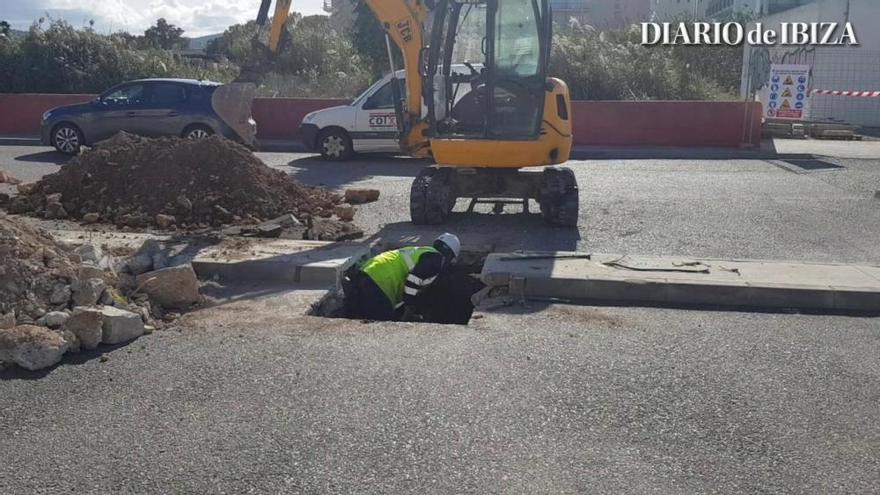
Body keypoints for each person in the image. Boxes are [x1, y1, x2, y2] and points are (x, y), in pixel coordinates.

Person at [343, 233, 461, 322]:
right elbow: (414, 279)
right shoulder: (436, 259)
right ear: (450, 256)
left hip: (367, 271)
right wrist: (410, 304)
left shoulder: (422, 251)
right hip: (380, 281)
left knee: (357, 319)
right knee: (381, 326)